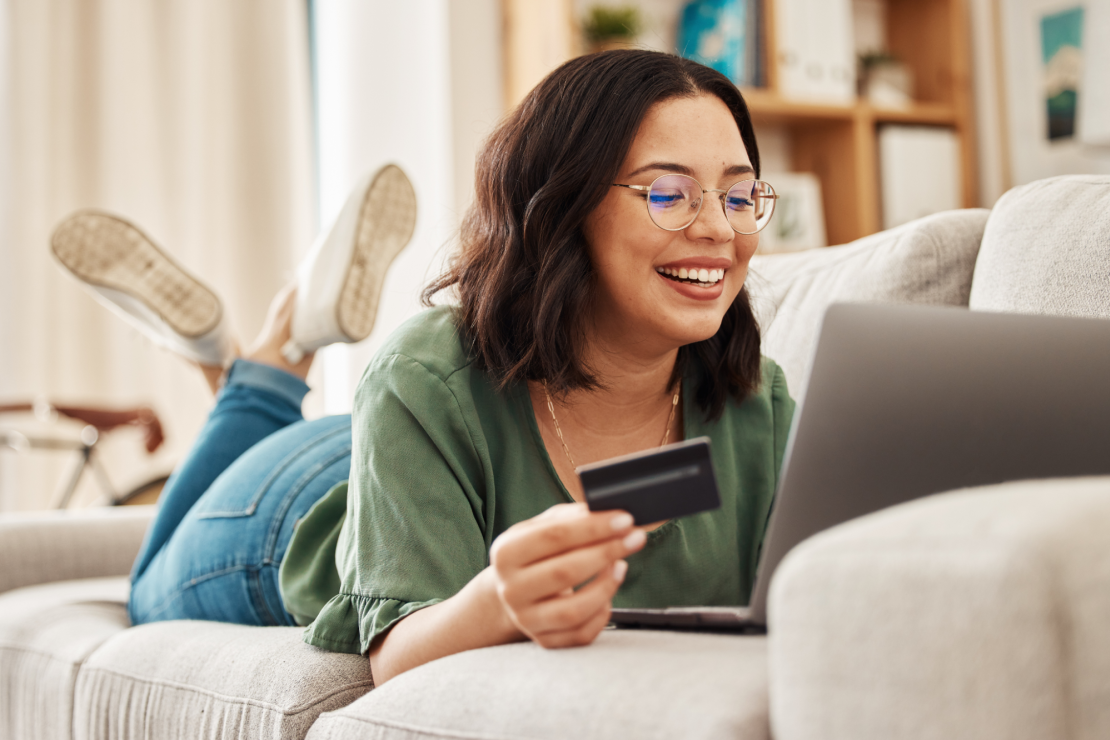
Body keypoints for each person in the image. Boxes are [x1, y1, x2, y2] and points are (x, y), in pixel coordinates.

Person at [52, 50, 792, 687]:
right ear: (560, 207)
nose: (718, 229)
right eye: (668, 194)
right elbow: (394, 659)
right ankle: (262, 369)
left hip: (415, 455)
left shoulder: (760, 405)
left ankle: (248, 353)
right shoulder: (426, 373)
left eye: (737, 194)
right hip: (291, 506)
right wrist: (499, 603)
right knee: (146, 590)